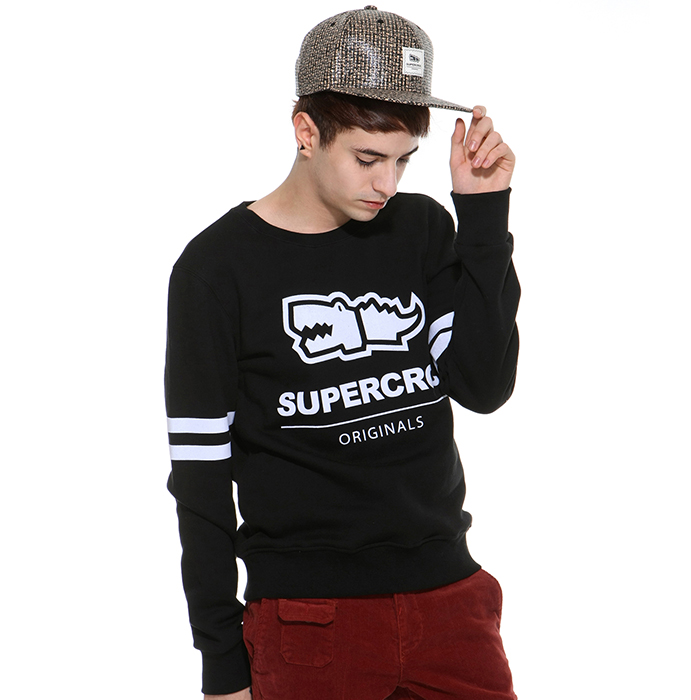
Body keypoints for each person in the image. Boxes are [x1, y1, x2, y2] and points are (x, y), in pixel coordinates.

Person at [165, 6, 520, 700]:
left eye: (403, 160)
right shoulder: (217, 269)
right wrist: (220, 661)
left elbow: (483, 384)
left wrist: (483, 215)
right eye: (367, 158)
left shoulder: (420, 230)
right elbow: (200, 477)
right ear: (306, 132)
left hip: (451, 604)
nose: (388, 183)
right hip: (309, 621)